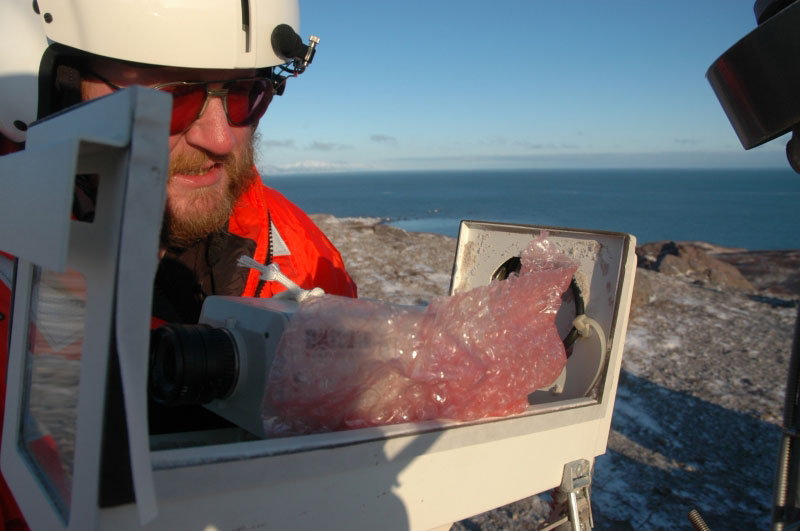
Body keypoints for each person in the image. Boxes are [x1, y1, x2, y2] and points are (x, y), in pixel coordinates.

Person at [0, 0, 356, 526]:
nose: (218, 139)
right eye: (166, 97)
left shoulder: (298, 255)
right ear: (47, 88)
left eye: (243, 93)